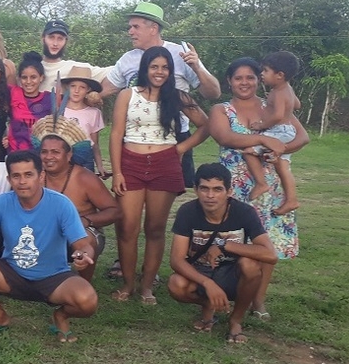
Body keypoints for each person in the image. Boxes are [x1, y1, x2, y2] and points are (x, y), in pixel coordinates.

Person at [0, 151, 98, 342]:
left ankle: (60, 316)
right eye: (16, 176)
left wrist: (83, 254)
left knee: (88, 301)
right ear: (9, 179)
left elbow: (83, 244)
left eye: (28, 175)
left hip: (54, 278)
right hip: (12, 272)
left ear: (41, 176)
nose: (22, 181)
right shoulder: (1, 202)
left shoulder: (61, 204)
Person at [209, 57, 309, 318]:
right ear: (229, 81)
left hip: (270, 188)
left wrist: (278, 149)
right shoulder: (221, 110)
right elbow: (225, 137)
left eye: (250, 77)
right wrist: (264, 139)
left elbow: (302, 137)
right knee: (229, 241)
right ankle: (223, 295)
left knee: (266, 242)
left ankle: (258, 301)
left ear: (258, 80)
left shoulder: (272, 105)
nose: (244, 83)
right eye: (238, 78)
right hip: (234, 188)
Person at [109, 46, 210, 304]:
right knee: (127, 228)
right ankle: (128, 284)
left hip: (164, 164)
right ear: (145, 68)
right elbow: (116, 134)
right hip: (130, 163)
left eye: (165, 67)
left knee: (155, 228)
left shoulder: (177, 96)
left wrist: (181, 148)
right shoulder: (127, 95)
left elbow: (206, 125)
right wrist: (117, 172)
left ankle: (146, 287)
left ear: (170, 71)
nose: (159, 72)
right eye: (154, 66)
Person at [101, 2, 222, 187]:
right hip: (135, 136)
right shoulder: (127, 59)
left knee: (174, 190)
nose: (130, 32)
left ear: (153, 28)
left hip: (174, 134)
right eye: (130, 27)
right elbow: (105, 88)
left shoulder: (180, 54)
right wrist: (86, 95)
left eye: (135, 27)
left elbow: (213, 93)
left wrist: (197, 67)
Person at [168, 163, 278, 343]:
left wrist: (226, 246)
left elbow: (270, 255)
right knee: (176, 284)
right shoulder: (187, 211)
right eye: (204, 188)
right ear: (195, 190)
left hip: (233, 274)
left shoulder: (244, 212)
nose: (210, 195)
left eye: (217, 189)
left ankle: (236, 320)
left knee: (250, 265)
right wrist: (208, 283)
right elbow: (176, 260)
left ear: (229, 191)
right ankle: (209, 304)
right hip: (201, 272)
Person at [36, 129, 122, 283]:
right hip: (44, 231)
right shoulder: (36, 177)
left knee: (85, 237)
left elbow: (115, 211)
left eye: (55, 152)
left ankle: (84, 283)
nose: (48, 157)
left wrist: (85, 221)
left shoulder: (84, 178)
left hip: (83, 232)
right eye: (44, 152)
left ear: (69, 155)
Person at [243, 51, 301, 214]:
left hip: (279, 131)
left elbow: (277, 116)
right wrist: (283, 102)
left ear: (280, 75)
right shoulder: (287, 89)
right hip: (288, 130)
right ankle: (292, 200)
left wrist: (261, 125)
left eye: (266, 71)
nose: (262, 74)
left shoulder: (278, 92)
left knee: (249, 151)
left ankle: (261, 183)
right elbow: (297, 105)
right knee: (282, 166)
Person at [61, 65, 108, 176]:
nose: (76, 91)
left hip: (85, 158)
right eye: (73, 86)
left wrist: (100, 165)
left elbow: (95, 144)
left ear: (88, 90)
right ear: (67, 87)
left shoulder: (94, 113)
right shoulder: (59, 110)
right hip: (62, 156)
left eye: (82, 87)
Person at [39, 19, 109, 93]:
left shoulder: (75, 68)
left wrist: (96, 96)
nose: (55, 43)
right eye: (51, 37)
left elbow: (114, 72)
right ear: (43, 38)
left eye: (60, 38)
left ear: (66, 41)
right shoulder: (33, 67)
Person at [7, 52, 54, 151]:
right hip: (15, 153)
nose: (28, 82)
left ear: (41, 78)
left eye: (33, 77)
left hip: (39, 154)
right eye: (24, 77)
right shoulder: (13, 93)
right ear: (19, 78)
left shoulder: (50, 98)